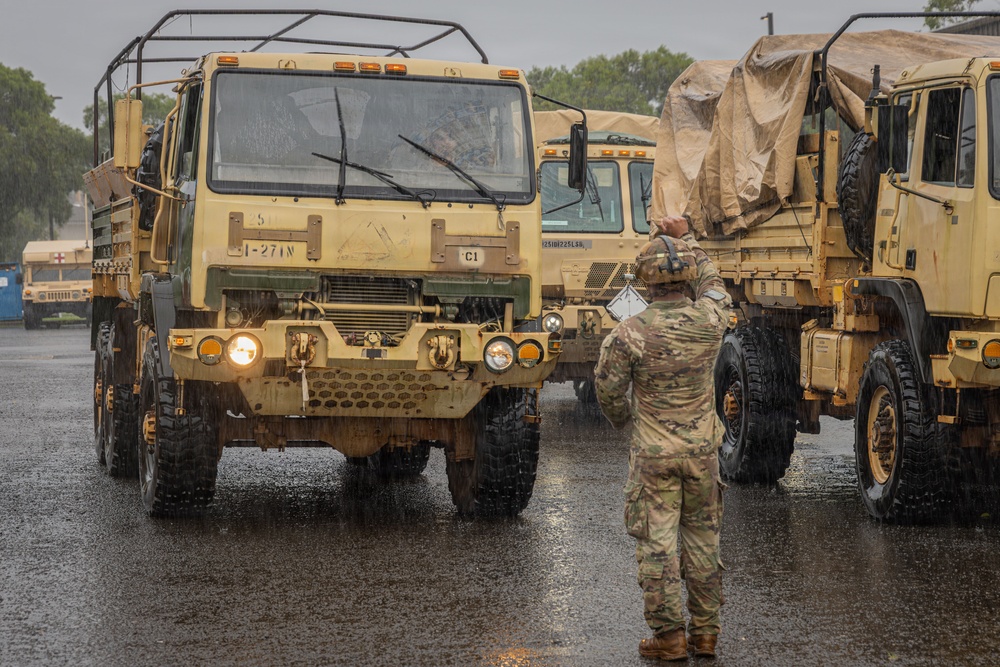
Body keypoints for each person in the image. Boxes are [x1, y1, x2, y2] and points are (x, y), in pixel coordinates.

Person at [594, 214, 731, 661]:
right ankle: (705, 634)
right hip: (702, 454)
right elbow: (715, 283)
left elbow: (609, 391)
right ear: (687, 278)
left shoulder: (629, 334)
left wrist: (628, 423)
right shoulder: (711, 320)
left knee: (658, 545)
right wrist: (685, 238)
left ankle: (669, 638)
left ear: (644, 282)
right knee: (703, 542)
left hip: (654, 457)